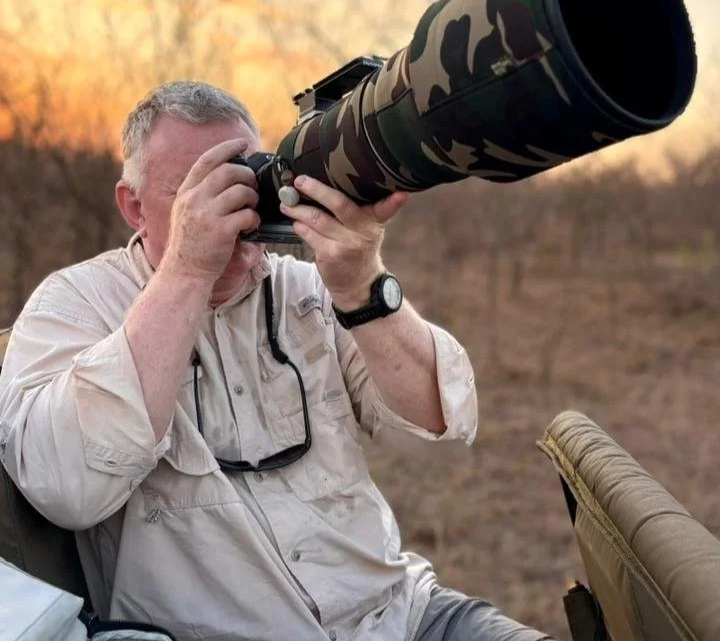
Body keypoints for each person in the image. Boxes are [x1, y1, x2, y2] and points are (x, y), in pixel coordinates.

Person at [0, 81, 552, 641]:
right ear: (133, 206)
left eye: (247, 178)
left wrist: (363, 283)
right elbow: (66, 488)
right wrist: (188, 273)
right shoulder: (74, 305)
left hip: (401, 615)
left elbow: (436, 427)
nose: (236, 206)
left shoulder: (309, 289)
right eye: (198, 190)